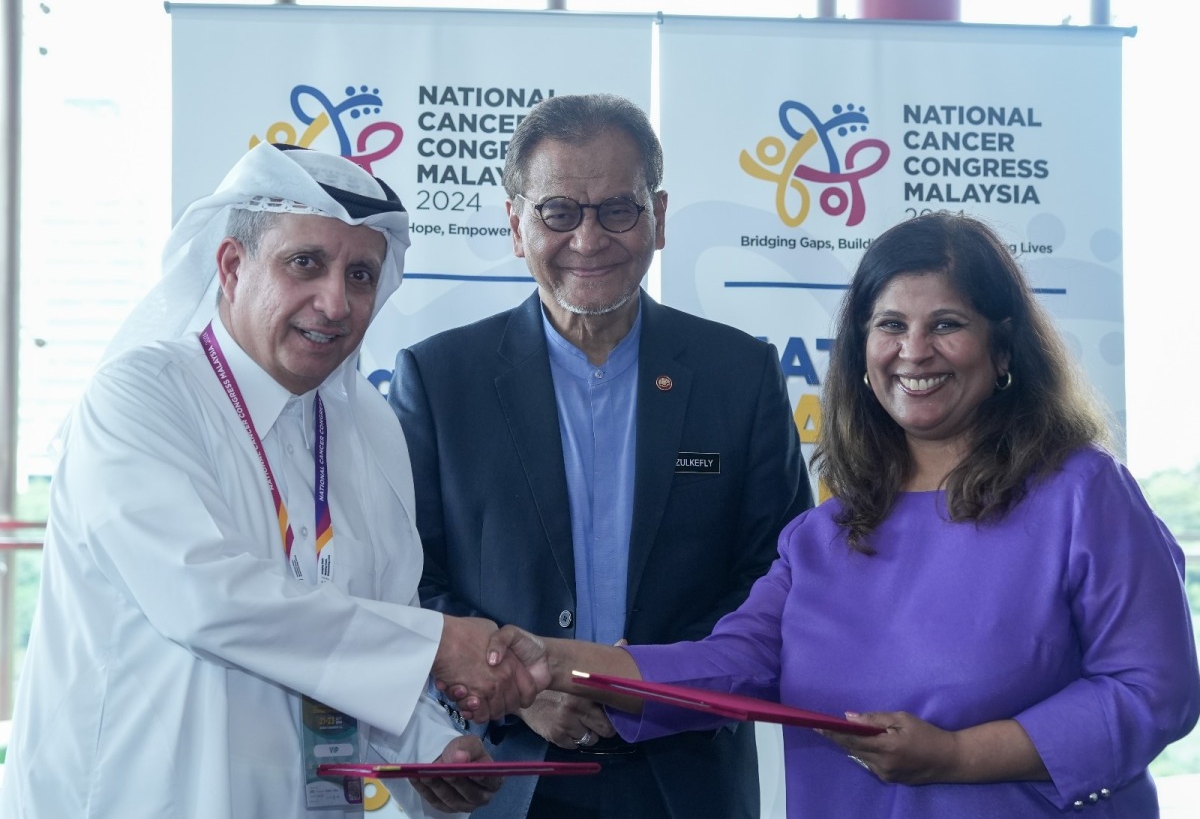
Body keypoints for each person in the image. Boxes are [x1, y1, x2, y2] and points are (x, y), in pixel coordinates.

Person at [484, 210, 1200, 817]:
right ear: (861, 351)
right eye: (890, 325)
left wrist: (954, 757)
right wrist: (557, 660)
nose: (914, 351)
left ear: (1003, 347)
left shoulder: (1082, 493)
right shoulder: (825, 532)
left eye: (946, 324)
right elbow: (728, 665)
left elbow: (1153, 690)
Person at [0, 142, 546, 819]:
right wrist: (435, 646)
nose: (336, 302)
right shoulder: (144, 395)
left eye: (361, 276)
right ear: (231, 266)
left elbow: (374, 622)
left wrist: (433, 747)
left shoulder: (368, 430)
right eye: (306, 264)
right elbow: (206, 598)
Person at [388, 93, 813, 818]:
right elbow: (410, 579)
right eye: (559, 212)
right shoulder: (439, 378)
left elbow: (776, 575)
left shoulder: (738, 375)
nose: (589, 239)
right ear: (515, 223)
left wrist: (646, 686)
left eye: (619, 208)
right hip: (505, 772)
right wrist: (520, 689)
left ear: (660, 216)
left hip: (688, 774)